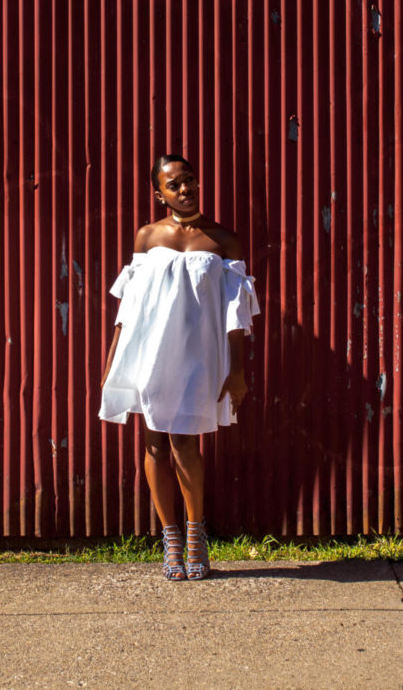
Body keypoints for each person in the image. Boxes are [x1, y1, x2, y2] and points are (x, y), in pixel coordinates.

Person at [99, 154, 260, 581]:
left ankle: (194, 534)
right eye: (174, 184)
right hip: (149, 352)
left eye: (189, 180)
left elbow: (236, 313)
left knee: (186, 446)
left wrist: (238, 370)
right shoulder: (148, 235)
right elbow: (129, 305)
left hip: (197, 358)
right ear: (160, 194)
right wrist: (113, 359)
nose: (184, 188)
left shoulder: (224, 240)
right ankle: (170, 538)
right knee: (153, 445)